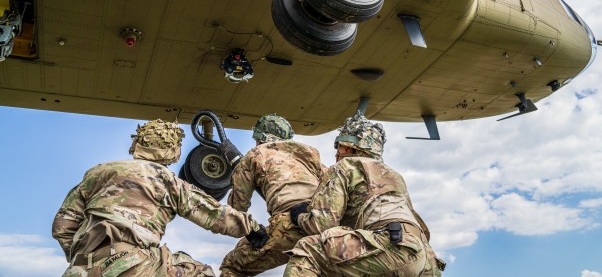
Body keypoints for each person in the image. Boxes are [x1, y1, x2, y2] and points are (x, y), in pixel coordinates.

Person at [52, 119, 268, 277]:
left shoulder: (96, 173)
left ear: (137, 144)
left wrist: (87, 258)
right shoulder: (164, 179)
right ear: (172, 151)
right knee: (200, 272)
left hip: (79, 270)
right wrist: (252, 228)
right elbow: (211, 213)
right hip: (131, 266)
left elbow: (62, 226)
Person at [284, 111, 444, 277]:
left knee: (308, 250)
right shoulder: (395, 176)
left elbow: (321, 225)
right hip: (424, 258)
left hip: (392, 247)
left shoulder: (346, 166)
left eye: (338, 147)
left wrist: (301, 216)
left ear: (346, 146)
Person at [219, 113, 326, 277]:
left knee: (233, 265)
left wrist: (250, 230)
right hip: (324, 223)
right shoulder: (310, 154)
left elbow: (238, 208)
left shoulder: (255, 155)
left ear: (259, 138)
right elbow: (333, 184)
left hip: (291, 226)